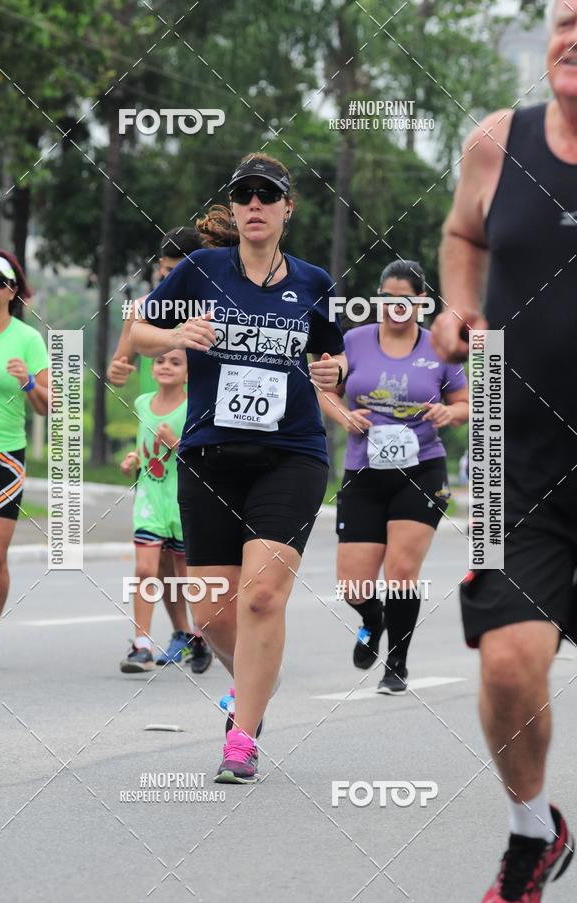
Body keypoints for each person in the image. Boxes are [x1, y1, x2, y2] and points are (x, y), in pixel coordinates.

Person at [132, 151, 346, 783]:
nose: (254, 205)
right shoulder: (200, 270)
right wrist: (175, 337)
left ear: (286, 209)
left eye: (266, 195)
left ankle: (243, 735)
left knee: (261, 599)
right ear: (234, 208)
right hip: (209, 456)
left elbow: (333, 365)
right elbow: (140, 329)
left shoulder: (314, 284)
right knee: (212, 615)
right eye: (244, 195)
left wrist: (335, 375)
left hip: (292, 456)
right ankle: (255, 681)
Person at [431, 2, 577, 898]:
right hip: (509, 457)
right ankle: (535, 830)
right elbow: (462, 234)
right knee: (508, 660)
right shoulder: (497, 140)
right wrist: (457, 309)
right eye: (565, 20)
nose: (572, 36)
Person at [319, 260, 468, 693]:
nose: (394, 308)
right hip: (364, 471)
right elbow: (327, 389)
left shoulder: (439, 347)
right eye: (386, 300)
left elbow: (466, 403)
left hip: (421, 468)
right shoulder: (355, 340)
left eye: (404, 300)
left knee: (401, 572)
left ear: (421, 302)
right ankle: (373, 619)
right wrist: (345, 416)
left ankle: (397, 663)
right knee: (352, 585)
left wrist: (448, 411)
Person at [108, 228, 211, 673]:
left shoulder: (213, 309)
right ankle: (166, 636)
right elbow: (121, 364)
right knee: (158, 562)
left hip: (196, 442)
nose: (167, 280)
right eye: (163, 272)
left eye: (175, 273)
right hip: (153, 448)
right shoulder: (144, 310)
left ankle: (202, 632)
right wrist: (118, 367)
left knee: (187, 563)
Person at [0, 250, 49, 669]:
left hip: (3, 459)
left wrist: (27, 383)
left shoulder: (26, 339)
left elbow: (47, 406)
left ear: (13, 291)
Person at [118, 349, 211, 672]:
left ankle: (197, 637)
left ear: (189, 372)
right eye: (160, 361)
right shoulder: (143, 403)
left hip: (184, 500)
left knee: (183, 577)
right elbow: (147, 445)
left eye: (175, 362)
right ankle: (140, 644)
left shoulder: (194, 406)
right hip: (149, 498)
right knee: (146, 570)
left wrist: (176, 442)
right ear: (152, 368)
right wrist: (134, 457)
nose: (166, 367)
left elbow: (203, 454)